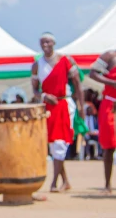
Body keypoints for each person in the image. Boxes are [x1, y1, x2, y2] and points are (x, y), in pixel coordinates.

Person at [31, 33, 84, 192]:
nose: (44, 44)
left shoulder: (65, 60)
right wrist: (45, 96)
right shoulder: (37, 64)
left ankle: (54, 182)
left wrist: (81, 107)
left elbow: (78, 84)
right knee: (54, 144)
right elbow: (34, 89)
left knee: (60, 142)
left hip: (64, 104)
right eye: (42, 42)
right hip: (48, 106)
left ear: (53, 42)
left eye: (47, 41)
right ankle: (65, 181)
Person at [89, 50, 116, 194]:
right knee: (109, 146)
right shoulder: (109, 56)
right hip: (110, 105)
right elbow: (92, 73)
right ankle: (107, 184)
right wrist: (111, 83)